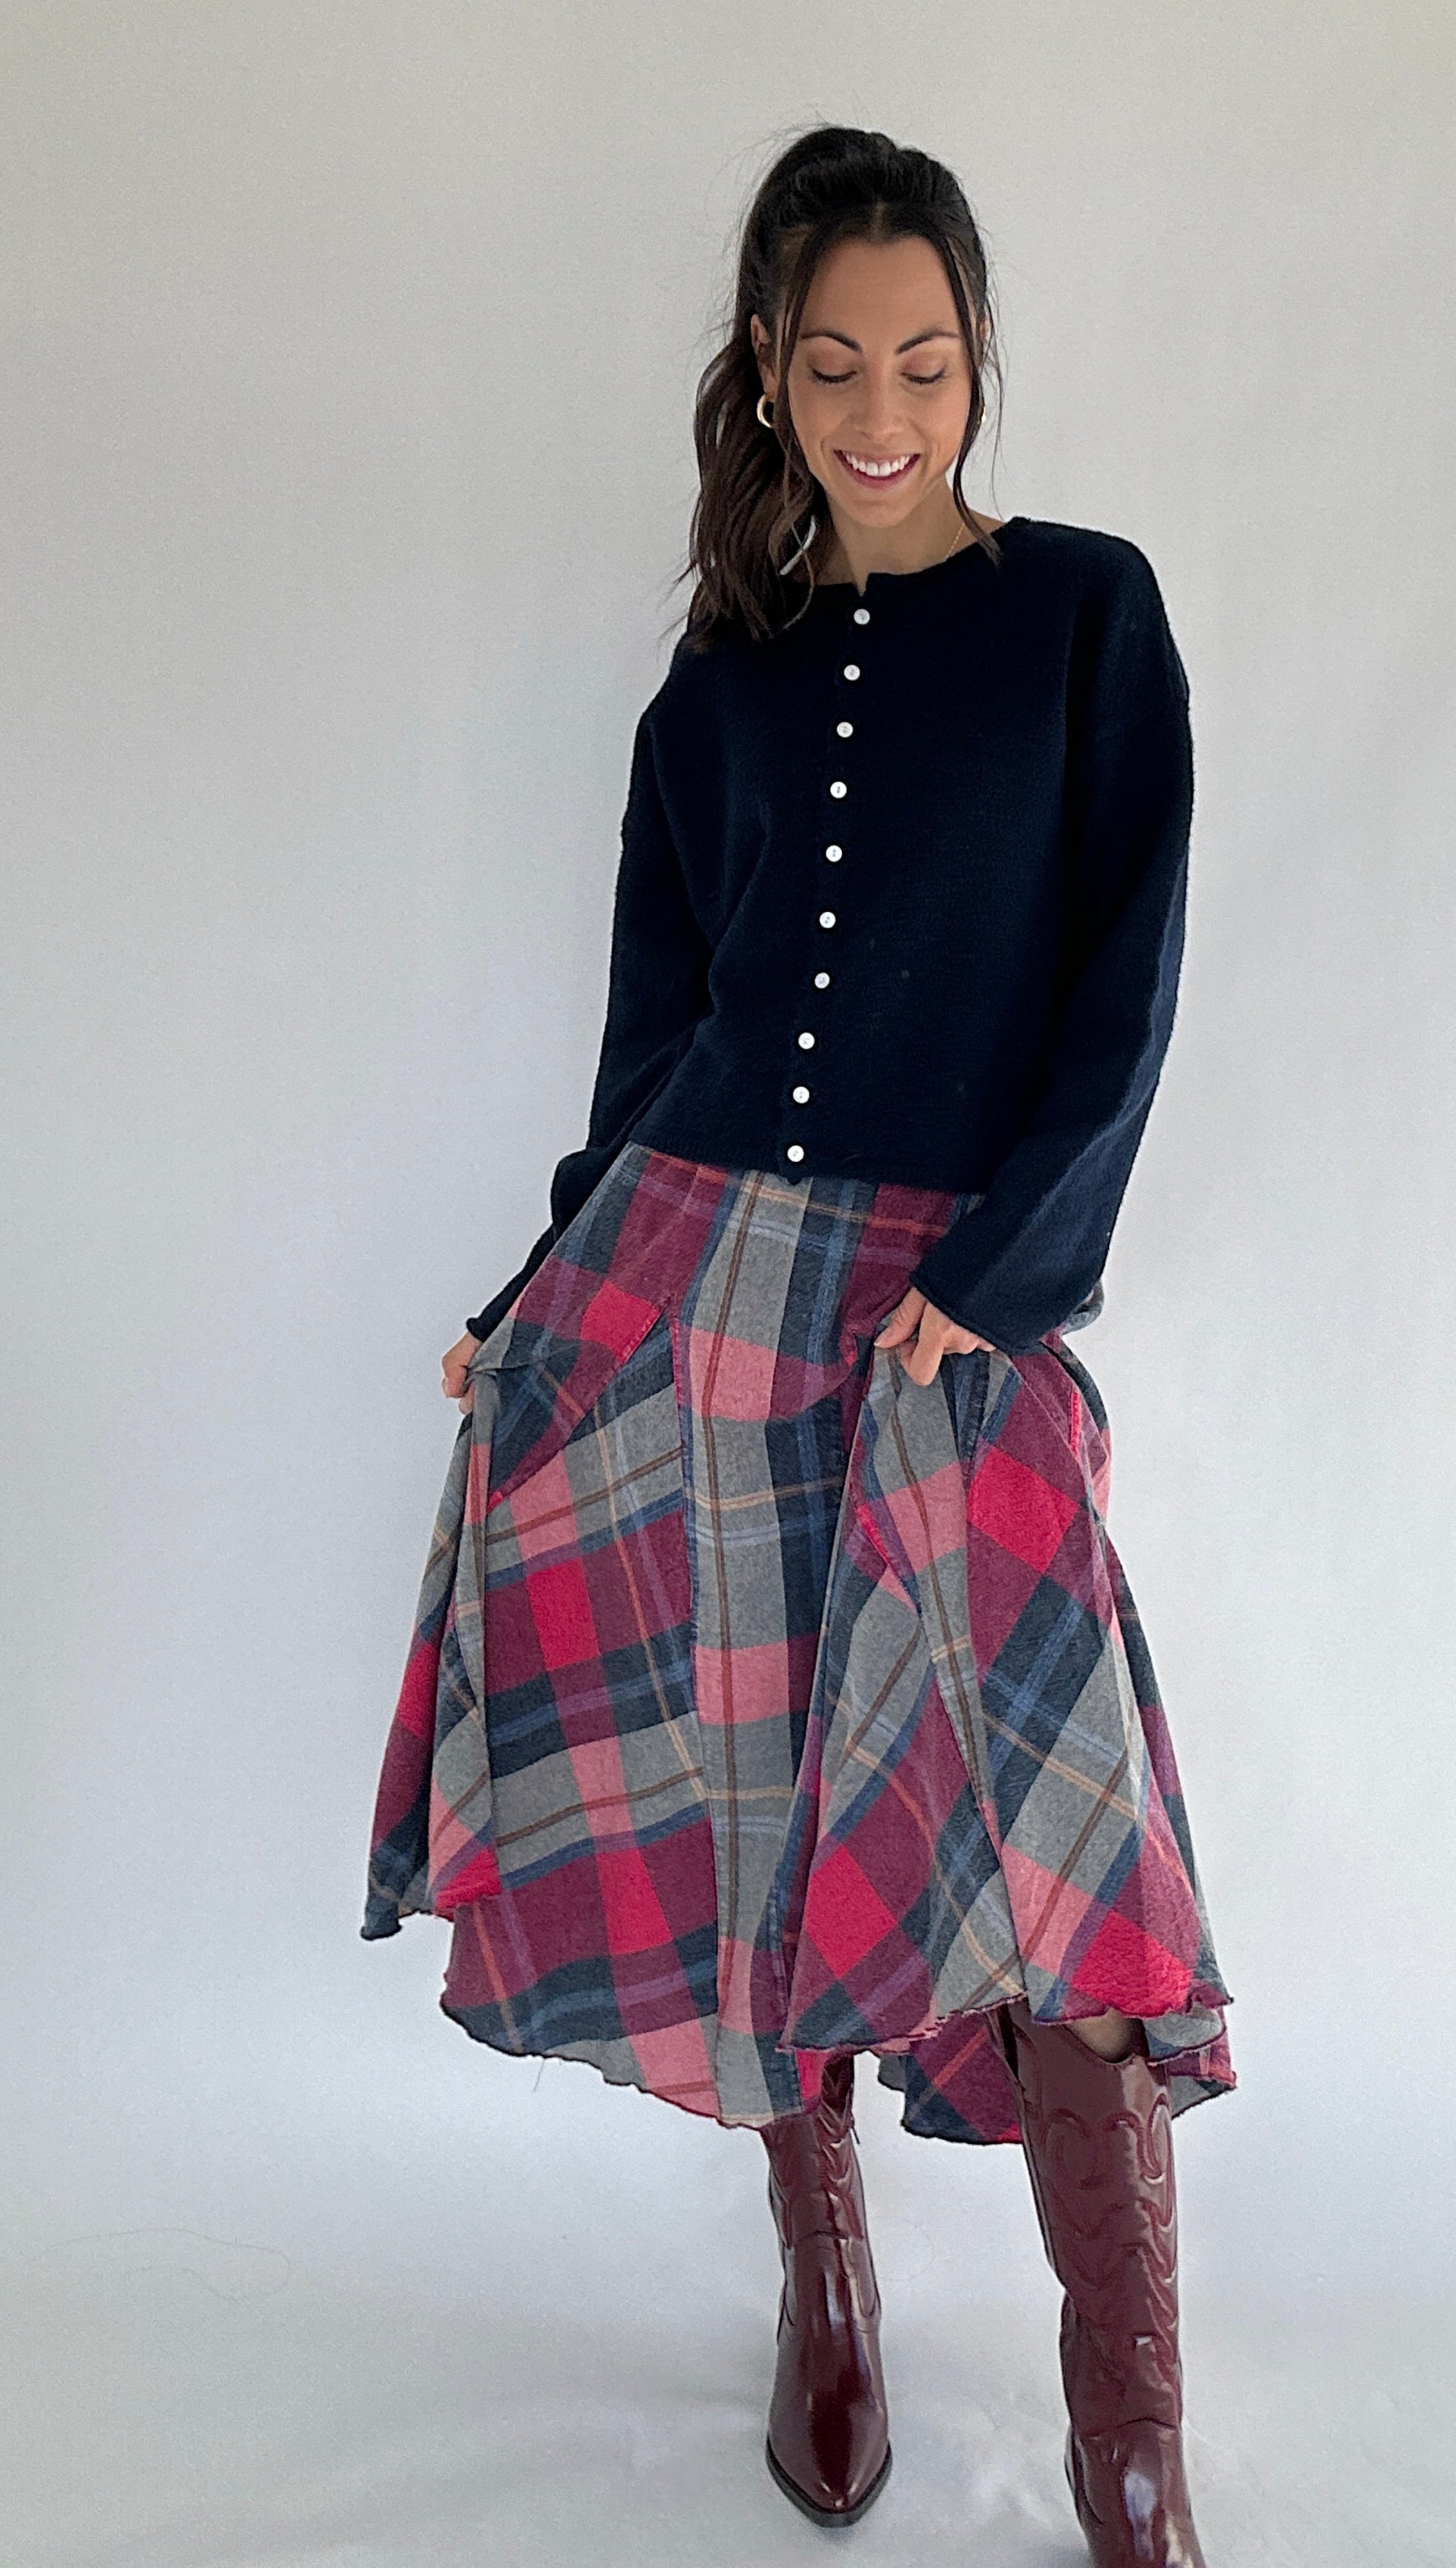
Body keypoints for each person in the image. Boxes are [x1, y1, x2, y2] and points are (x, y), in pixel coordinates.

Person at [361, 122, 1233, 2568]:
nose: (883, 410)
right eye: (835, 362)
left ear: (981, 357)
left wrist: (1014, 1271)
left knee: (1060, 1850)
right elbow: (661, 1041)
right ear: (768, 366)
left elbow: (1127, 988)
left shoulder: (1087, 618)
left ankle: (1128, 2431)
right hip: (701, 1289)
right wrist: (544, 1291)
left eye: (926, 361)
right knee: (752, 1807)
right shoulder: (715, 691)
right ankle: (824, 2277)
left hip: (958, 1310)